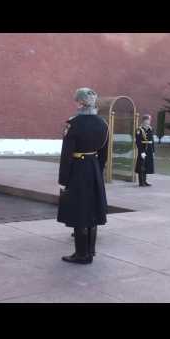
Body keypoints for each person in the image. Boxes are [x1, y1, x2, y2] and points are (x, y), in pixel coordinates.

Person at [57, 88, 109, 264]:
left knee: (80, 211)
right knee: (92, 210)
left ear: (79, 102)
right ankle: (90, 250)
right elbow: (104, 154)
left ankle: (81, 254)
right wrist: (98, 171)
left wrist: (63, 180)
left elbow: (66, 155)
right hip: (94, 168)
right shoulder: (103, 124)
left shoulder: (74, 124)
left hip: (78, 170)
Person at [135, 114, 155, 187]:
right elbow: (138, 142)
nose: (149, 121)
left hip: (149, 149)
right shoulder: (139, 130)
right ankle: (141, 182)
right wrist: (141, 151)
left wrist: (153, 151)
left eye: (149, 120)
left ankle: (145, 181)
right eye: (148, 120)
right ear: (144, 120)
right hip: (143, 149)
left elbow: (152, 141)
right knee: (141, 165)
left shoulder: (150, 129)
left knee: (146, 165)